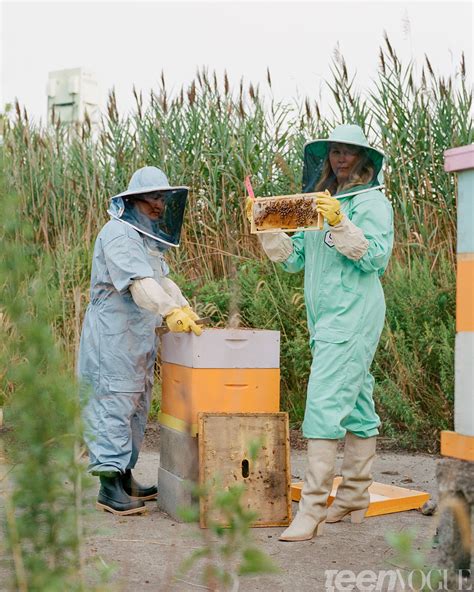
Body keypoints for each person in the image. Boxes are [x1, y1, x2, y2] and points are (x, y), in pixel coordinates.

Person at [247, 124, 393, 541]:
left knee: (324, 404)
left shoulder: (371, 202)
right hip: (326, 319)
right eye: (335, 152)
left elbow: (377, 259)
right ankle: (353, 496)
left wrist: (342, 224)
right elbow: (295, 261)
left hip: (353, 315)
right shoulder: (316, 204)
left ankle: (311, 510)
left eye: (349, 152)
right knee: (358, 402)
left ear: (365, 159)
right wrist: (269, 227)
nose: (341, 159)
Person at [78, 166, 202, 516]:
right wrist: (169, 313)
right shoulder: (118, 234)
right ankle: (108, 487)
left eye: (163, 199)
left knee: (134, 409)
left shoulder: (144, 237)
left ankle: (125, 477)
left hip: (135, 341)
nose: (159, 206)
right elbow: (139, 285)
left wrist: (182, 307)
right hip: (112, 340)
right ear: (133, 200)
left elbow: (160, 281)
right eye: (153, 199)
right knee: (113, 406)